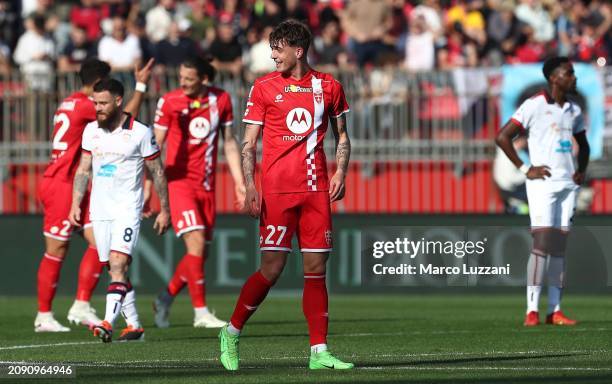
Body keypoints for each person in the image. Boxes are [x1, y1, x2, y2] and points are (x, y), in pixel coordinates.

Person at [218, 20, 354, 370]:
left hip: (316, 190)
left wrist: (341, 170)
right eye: (271, 48)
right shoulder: (263, 87)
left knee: (316, 269)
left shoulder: (330, 86)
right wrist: (250, 185)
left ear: (298, 50)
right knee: (272, 268)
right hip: (277, 191)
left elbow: (342, 136)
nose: (272, 55)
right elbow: (247, 144)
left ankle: (319, 351)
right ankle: (231, 332)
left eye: (277, 49)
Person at [35, 58, 154, 333]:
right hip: (62, 182)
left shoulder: (70, 101)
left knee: (98, 244)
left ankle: (82, 303)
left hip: (67, 180)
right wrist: (141, 86)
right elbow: (126, 117)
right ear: (98, 82)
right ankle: (43, 315)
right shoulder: (87, 106)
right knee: (56, 250)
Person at [69, 78, 170, 343]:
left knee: (118, 263)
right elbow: (83, 169)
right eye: (95, 103)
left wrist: (165, 210)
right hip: (99, 210)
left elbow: (157, 171)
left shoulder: (140, 132)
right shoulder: (91, 130)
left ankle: (107, 323)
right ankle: (134, 326)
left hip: (127, 208)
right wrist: (74, 205)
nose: (98, 108)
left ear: (118, 101)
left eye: (103, 103)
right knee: (114, 270)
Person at [496, 56, 589, 327]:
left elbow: (583, 144)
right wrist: (526, 169)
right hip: (542, 184)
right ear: (554, 78)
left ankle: (555, 310)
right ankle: (531, 310)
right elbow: (503, 137)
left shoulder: (573, 109)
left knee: (559, 248)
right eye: (569, 73)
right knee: (542, 246)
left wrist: (580, 170)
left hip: (566, 185)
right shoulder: (534, 104)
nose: (573, 77)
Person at [152, 56, 245, 329]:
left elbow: (229, 144)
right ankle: (201, 312)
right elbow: (154, 146)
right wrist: (148, 188)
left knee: (199, 255)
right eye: (181, 77)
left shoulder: (222, 100)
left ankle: (165, 297)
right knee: (195, 244)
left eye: (189, 79)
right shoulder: (169, 102)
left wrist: (239, 182)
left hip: (207, 186)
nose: (183, 82)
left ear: (205, 79)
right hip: (178, 183)